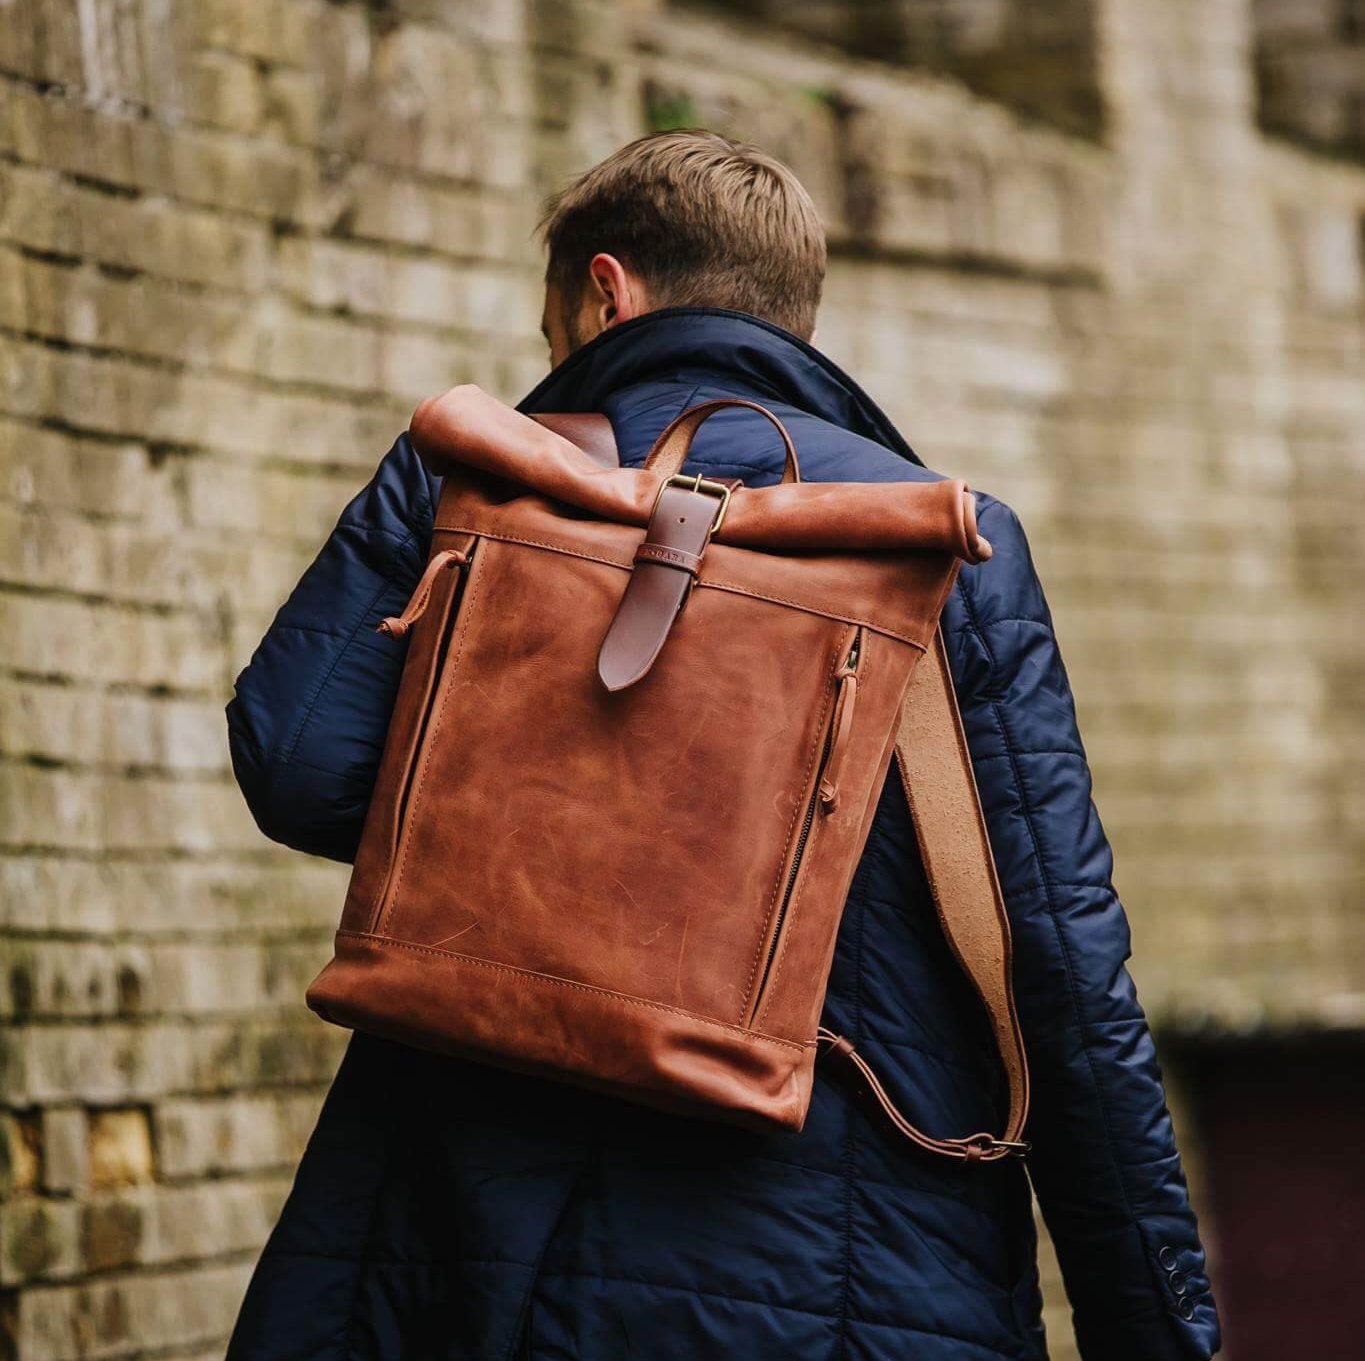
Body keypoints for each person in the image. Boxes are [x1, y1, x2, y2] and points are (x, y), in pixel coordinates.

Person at [224, 130, 1220, 1361]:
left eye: (553, 339)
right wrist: (1160, 1325)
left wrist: (435, 489)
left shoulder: (487, 489)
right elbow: (1058, 965)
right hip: (855, 1274)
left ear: (606, 292)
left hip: (465, 1260)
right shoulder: (937, 546)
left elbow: (299, 765)